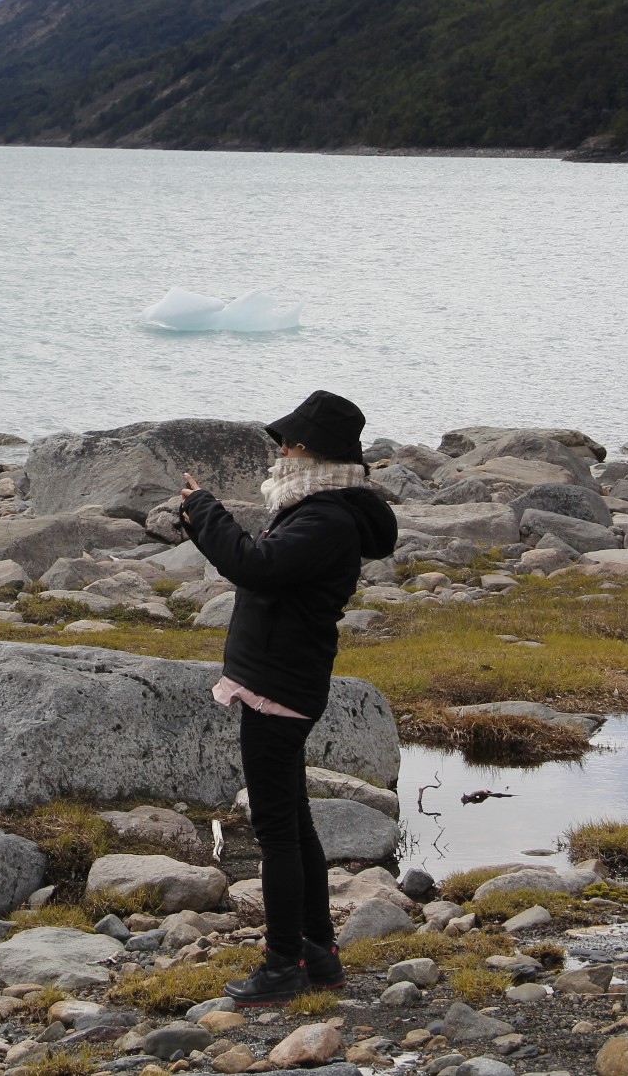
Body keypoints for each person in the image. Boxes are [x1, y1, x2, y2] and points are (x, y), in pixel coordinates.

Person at [178, 389, 398, 1005]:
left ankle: (281, 965)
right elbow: (260, 566)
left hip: (279, 684)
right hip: (281, 678)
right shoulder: (318, 509)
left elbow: (254, 566)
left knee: (276, 832)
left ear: (317, 454)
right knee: (295, 824)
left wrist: (206, 510)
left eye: (291, 442)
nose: (281, 451)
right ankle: (319, 954)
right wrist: (201, 523)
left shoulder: (325, 518)